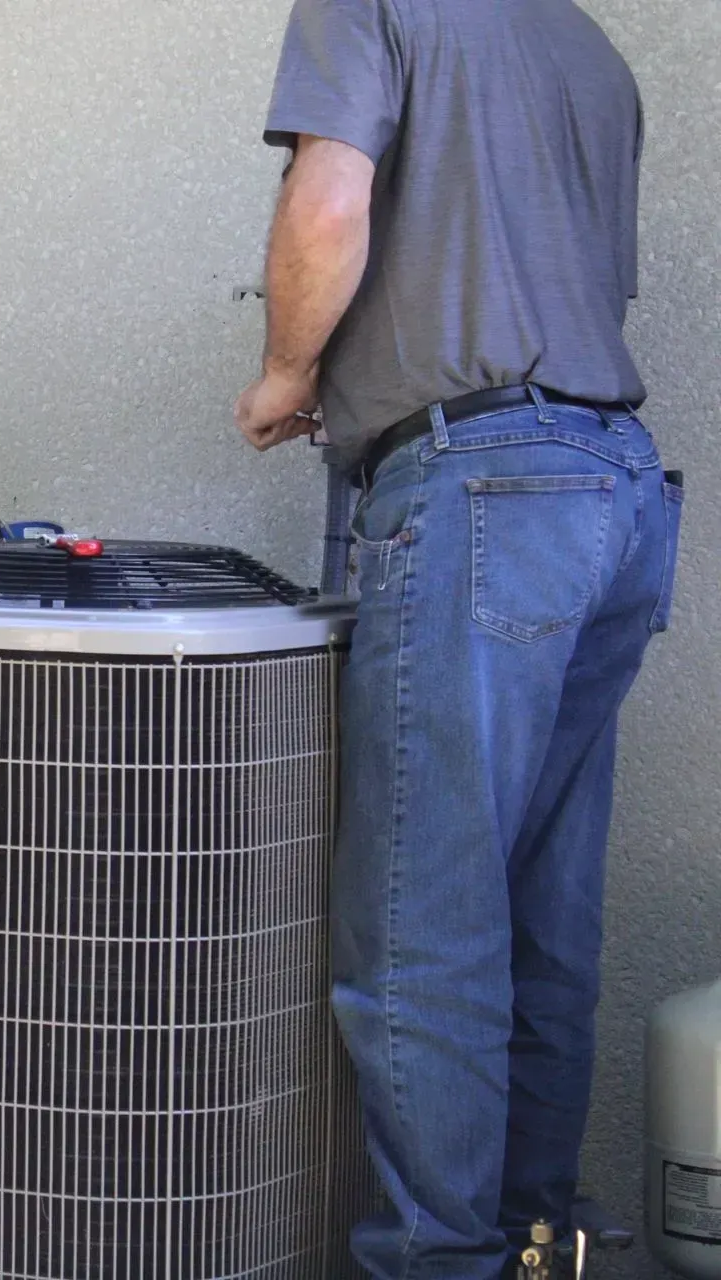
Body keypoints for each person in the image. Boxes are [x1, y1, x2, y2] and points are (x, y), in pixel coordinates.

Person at [234, 2, 681, 1276]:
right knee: (543, 899)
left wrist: (284, 367)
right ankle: (536, 1232)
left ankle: (435, 1261)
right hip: (615, 484)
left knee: (422, 921)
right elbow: (577, 271)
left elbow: (331, 205)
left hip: (486, 482)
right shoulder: (588, 48)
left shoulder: (368, 4)